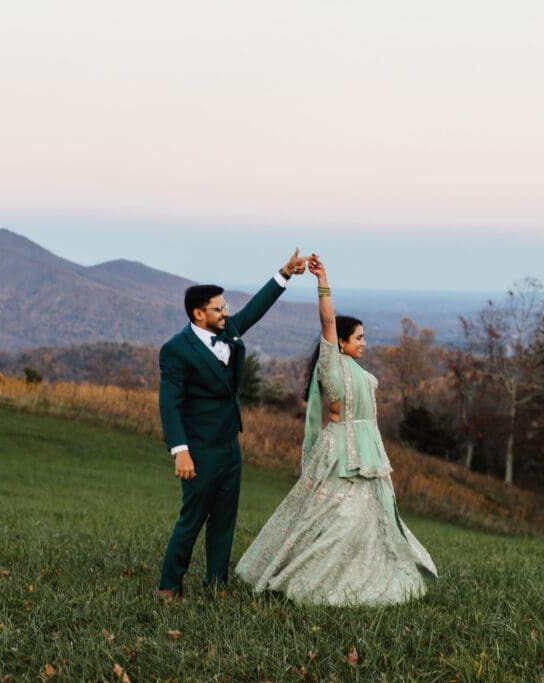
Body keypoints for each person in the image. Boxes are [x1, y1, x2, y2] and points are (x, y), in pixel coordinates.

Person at [236, 254, 438, 606]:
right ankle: (312, 580)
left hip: (368, 451)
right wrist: (322, 281)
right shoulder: (332, 367)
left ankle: (364, 575)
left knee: (369, 519)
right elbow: (327, 319)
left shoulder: (357, 371)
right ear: (340, 343)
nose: (364, 343)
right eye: (359, 337)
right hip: (342, 452)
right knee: (336, 519)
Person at [155, 249, 307, 602]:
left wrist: (284, 273)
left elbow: (255, 309)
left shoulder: (228, 330)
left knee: (224, 519)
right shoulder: (176, 350)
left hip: (228, 446)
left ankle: (216, 584)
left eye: (225, 308)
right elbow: (169, 404)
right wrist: (181, 451)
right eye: (218, 309)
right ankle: (168, 586)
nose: (226, 313)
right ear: (198, 313)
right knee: (192, 519)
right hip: (199, 449)